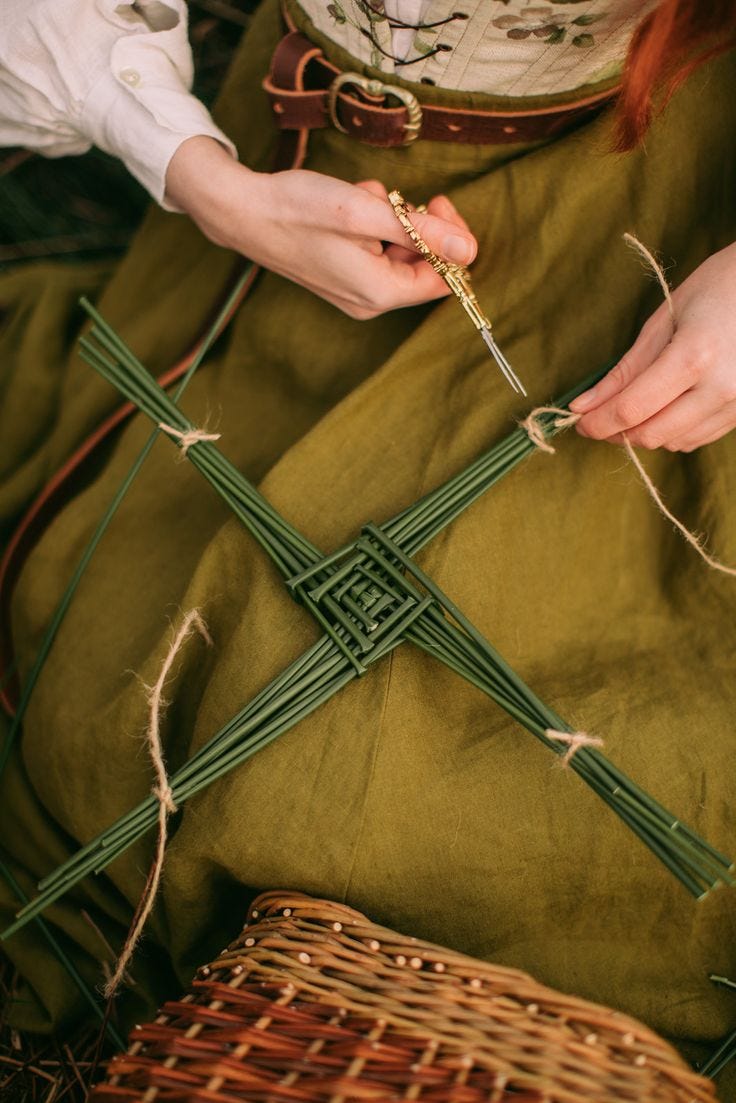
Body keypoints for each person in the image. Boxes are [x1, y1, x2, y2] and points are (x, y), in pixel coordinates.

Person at [0, 0, 735, 1096]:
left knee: (537, 815)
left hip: (637, 207)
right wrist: (206, 179)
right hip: (289, 180)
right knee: (109, 707)